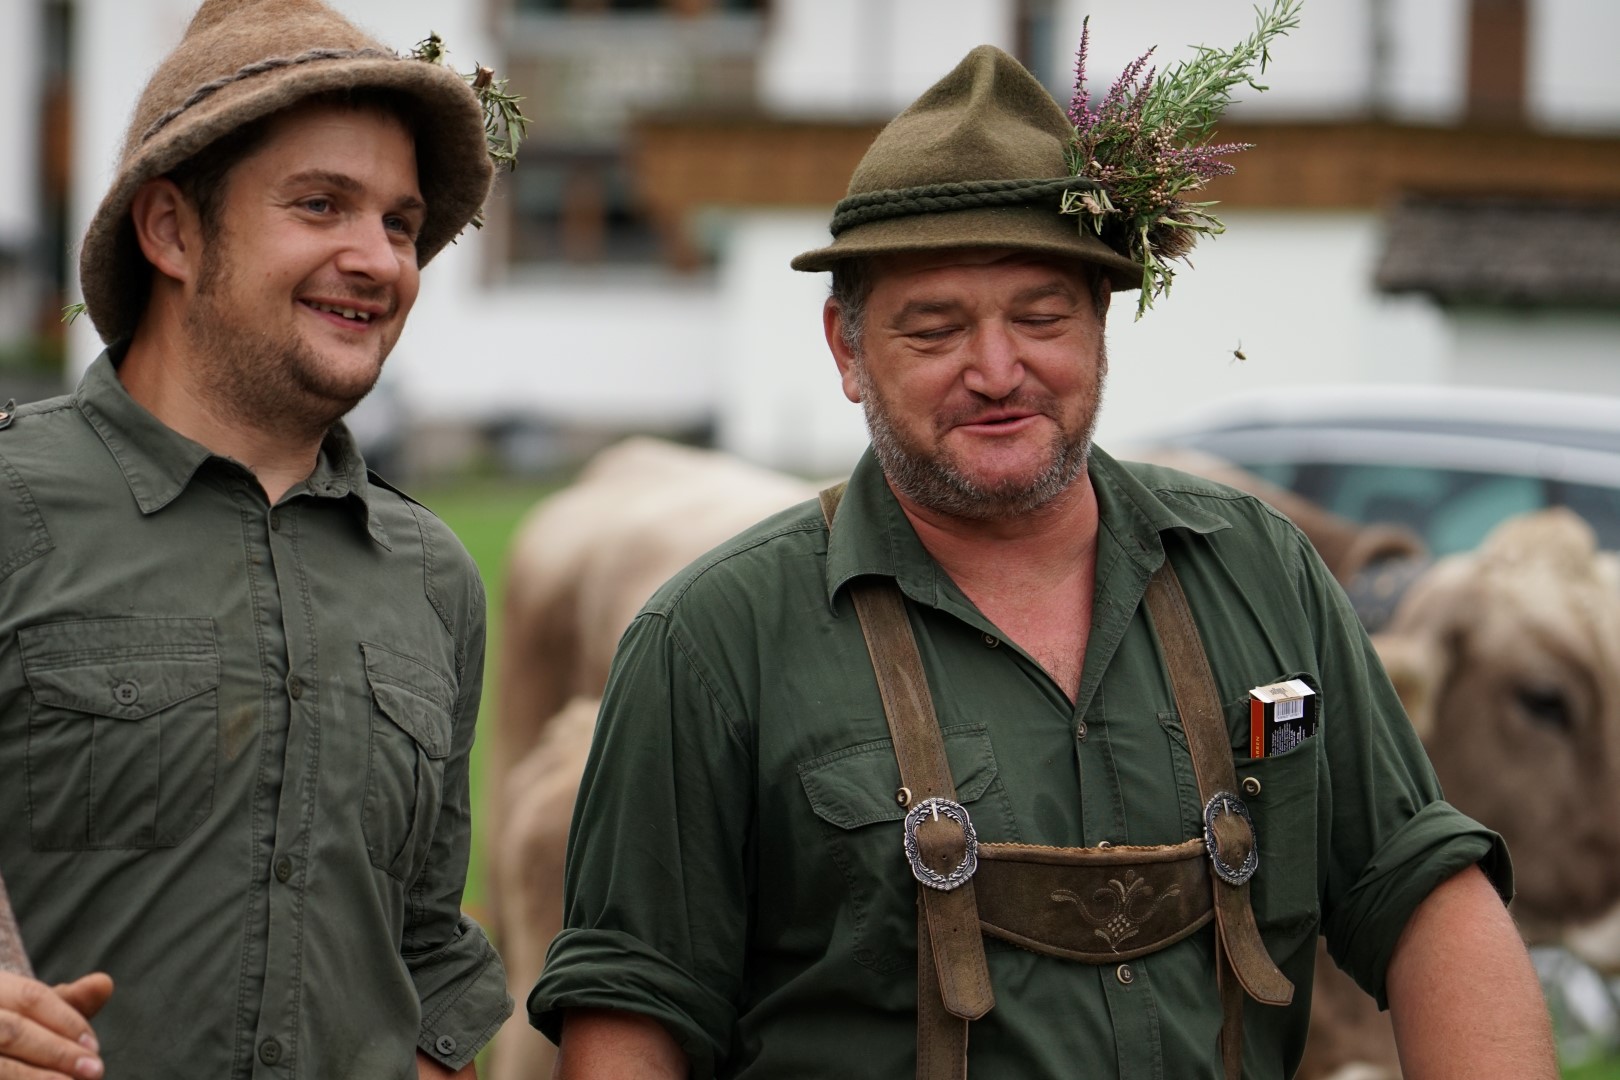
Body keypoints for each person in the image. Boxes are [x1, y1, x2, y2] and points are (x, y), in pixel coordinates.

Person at [528, 43, 1557, 1080]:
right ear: (846, 348)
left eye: (1040, 317)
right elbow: (633, 1014)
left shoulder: (1260, 572)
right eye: (935, 329)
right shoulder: (711, 642)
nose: (997, 370)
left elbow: (1422, 894)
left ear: (1101, 322)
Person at [0, 1, 512, 1076]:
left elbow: (425, 949)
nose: (377, 260)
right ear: (173, 232)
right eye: (321, 204)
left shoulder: (434, 580)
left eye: (400, 224)